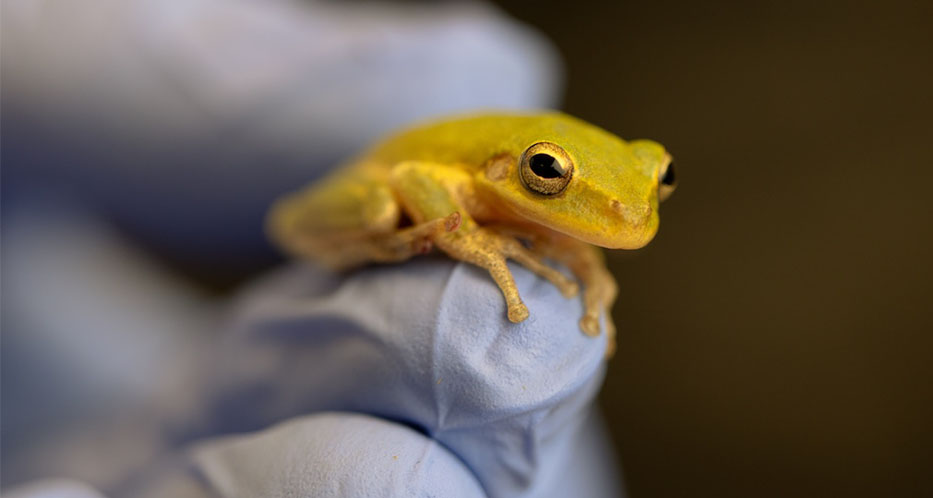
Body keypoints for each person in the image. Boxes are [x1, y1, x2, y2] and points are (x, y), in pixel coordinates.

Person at [1, 1, 622, 496]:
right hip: (381, 188)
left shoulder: (585, 196)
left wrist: (582, 256)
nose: (632, 213)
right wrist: (462, 236)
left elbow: (602, 206)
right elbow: (415, 179)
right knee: (382, 206)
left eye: (661, 180)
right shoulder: (469, 169)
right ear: (512, 168)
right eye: (545, 172)